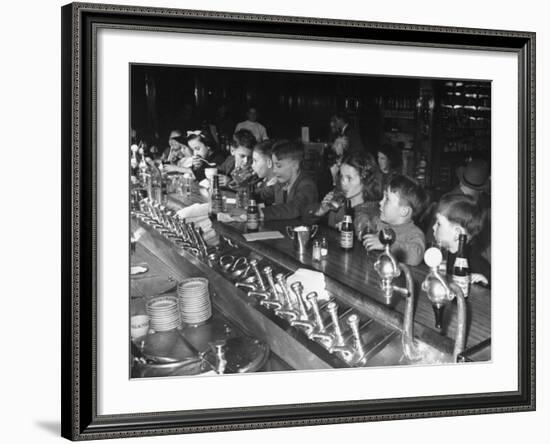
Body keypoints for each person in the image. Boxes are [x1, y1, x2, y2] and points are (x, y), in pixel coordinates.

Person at [306, 153, 382, 236]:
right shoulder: (338, 199)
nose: (344, 183)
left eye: (349, 178)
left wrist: (351, 228)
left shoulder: (373, 211)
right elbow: (307, 226)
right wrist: (320, 212)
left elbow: (368, 240)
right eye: (342, 177)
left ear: (365, 180)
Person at [362, 175, 427, 266]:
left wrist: (386, 245)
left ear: (404, 211)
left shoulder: (414, 234)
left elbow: (415, 257)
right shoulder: (380, 223)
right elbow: (364, 225)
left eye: (387, 199)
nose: (381, 202)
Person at [432, 194, 491, 285]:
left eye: (439, 224)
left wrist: (485, 284)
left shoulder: (476, 265)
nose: (433, 227)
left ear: (457, 233)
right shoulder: (442, 254)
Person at [258, 140, 318, 221]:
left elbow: (294, 209)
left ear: (295, 165)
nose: (274, 170)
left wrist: (258, 212)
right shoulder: (282, 183)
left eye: (278, 166)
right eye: (273, 165)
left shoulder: (307, 186)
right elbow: (262, 195)